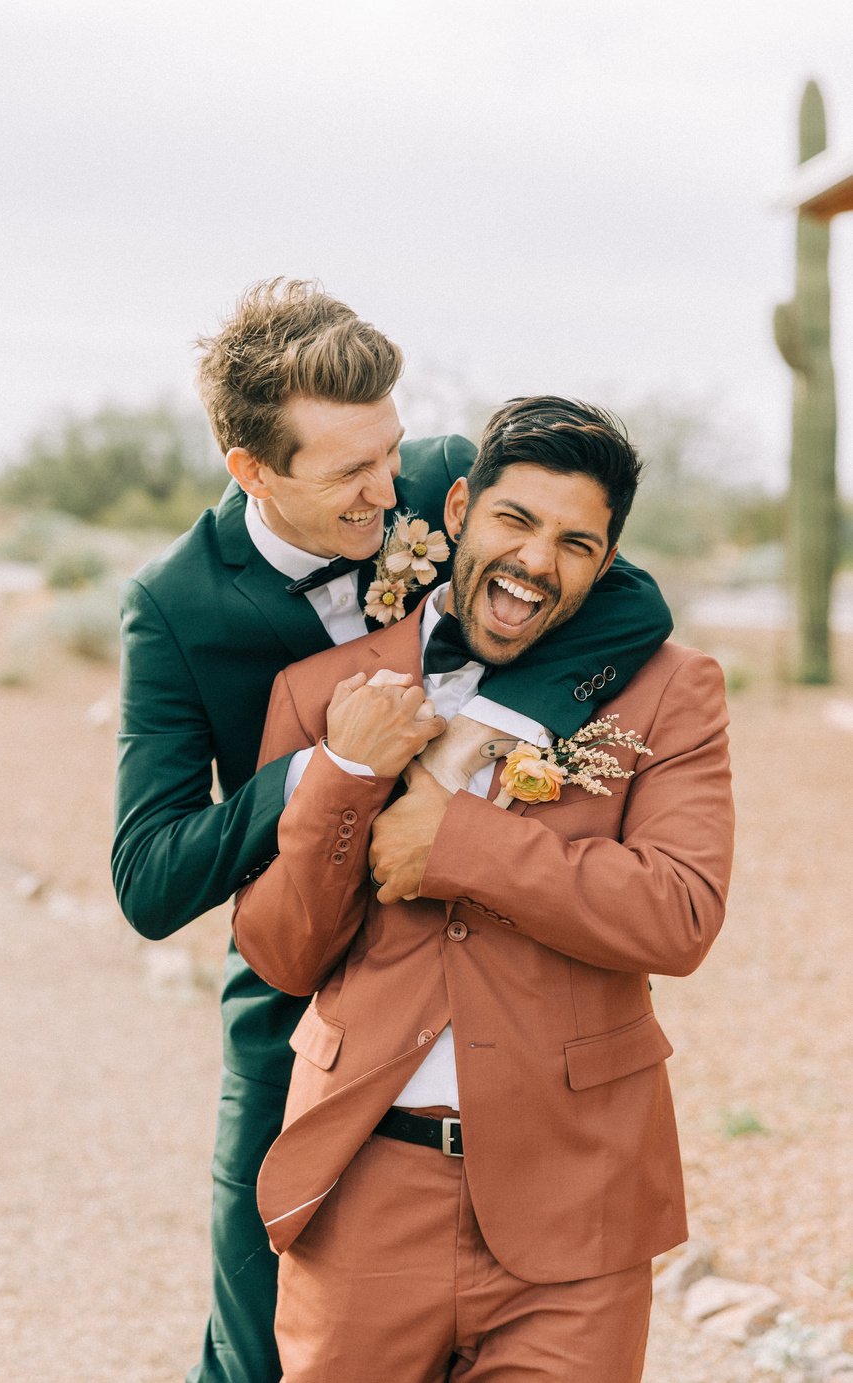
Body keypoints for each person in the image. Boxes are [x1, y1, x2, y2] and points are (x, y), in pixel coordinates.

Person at [112, 287, 673, 1383]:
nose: (390, 489)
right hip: (298, 988)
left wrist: (470, 752)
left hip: (476, 964)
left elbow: (631, 600)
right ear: (252, 471)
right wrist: (333, 768)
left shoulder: (445, 476)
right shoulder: (174, 607)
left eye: (393, 451)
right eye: (350, 475)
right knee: (251, 1332)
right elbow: (147, 876)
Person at [232, 396, 735, 1383]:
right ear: (460, 507)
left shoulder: (672, 690)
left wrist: (460, 842)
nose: (538, 561)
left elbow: (679, 912)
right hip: (364, 1191)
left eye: (576, 541)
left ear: (608, 558)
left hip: (577, 1203)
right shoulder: (317, 687)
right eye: (516, 521)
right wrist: (343, 774)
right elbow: (284, 953)